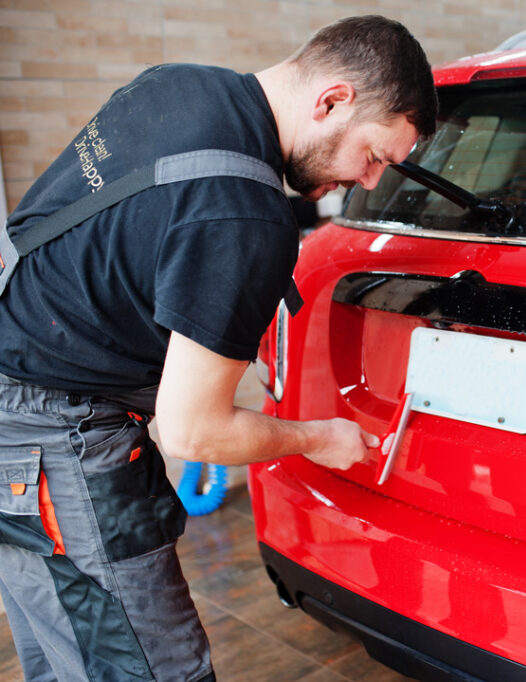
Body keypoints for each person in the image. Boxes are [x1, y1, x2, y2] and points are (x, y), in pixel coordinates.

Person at [0, 14, 437, 682]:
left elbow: (151, 216)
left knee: (65, 659)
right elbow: (192, 431)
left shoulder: (178, 86)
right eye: (375, 156)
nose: (371, 181)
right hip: (56, 443)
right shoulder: (244, 218)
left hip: (15, 410)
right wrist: (320, 438)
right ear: (332, 100)